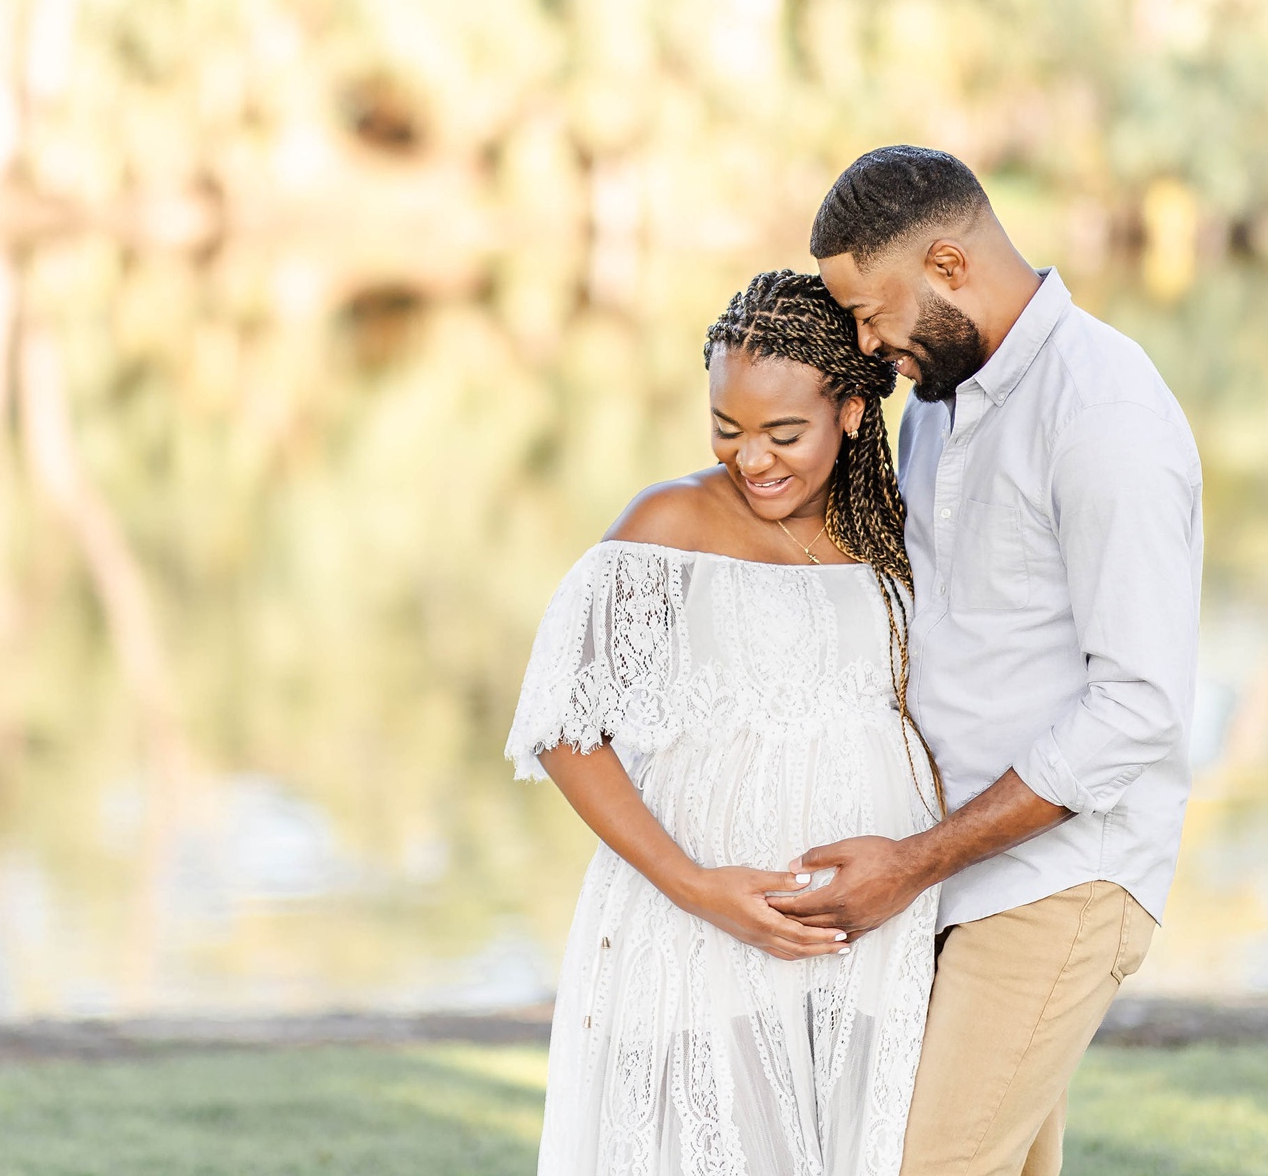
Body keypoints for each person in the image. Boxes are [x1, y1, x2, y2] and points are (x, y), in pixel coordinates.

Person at [768, 146, 1202, 1176]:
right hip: (960, 870)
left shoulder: (1101, 413)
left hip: (1061, 875)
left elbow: (1137, 708)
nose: (869, 347)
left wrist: (915, 861)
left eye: (875, 315)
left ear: (950, 265)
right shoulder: (940, 406)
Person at [507, 269, 944, 1176]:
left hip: (875, 939)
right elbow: (562, 724)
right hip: (700, 932)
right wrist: (698, 886)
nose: (753, 459)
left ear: (854, 411)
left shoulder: (896, 531)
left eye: (784, 433)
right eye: (728, 428)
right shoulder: (672, 523)